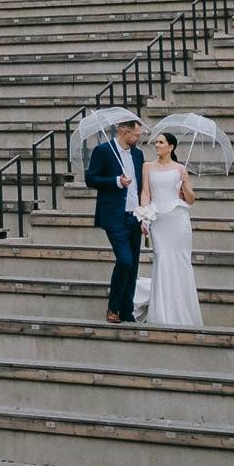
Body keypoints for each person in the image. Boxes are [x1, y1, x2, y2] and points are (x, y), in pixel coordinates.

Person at [84, 115, 146, 323]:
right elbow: (90, 179)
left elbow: (140, 186)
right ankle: (113, 308)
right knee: (124, 261)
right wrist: (116, 181)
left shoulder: (138, 155)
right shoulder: (103, 151)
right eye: (136, 135)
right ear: (124, 132)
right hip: (115, 216)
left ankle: (126, 311)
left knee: (133, 265)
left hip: (135, 216)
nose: (139, 138)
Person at [136, 130, 201, 327]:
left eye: (161, 142)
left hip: (177, 219)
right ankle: (163, 314)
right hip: (158, 220)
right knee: (162, 260)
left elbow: (190, 199)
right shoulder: (147, 166)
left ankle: (183, 314)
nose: (156, 145)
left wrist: (185, 182)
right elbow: (145, 192)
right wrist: (144, 217)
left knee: (180, 261)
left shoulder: (180, 168)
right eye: (156, 142)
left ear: (170, 147)